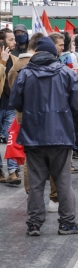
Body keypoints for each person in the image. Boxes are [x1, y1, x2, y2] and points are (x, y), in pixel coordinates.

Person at [9, 37, 78, 236]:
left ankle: (34, 223)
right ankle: (67, 223)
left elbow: (16, 102)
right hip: (60, 134)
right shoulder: (66, 73)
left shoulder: (25, 73)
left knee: (36, 183)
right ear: (54, 54)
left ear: (36, 53)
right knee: (63, 181)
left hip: (33, 135)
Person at [0, 29, 19, 183]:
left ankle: (13, 171)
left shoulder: (15, 59)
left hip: (10, 107)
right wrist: (2, 62)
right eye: (11, 39)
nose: (14, 42)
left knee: (11, 138)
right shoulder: (5, 60)